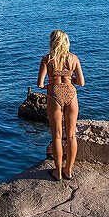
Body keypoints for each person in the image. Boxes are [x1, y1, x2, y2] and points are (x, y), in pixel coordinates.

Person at [36, 29, 84, 180]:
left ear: (52, 42)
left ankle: (57, 172)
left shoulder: (47, 59)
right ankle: (68, 170)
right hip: (71, 94)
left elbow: (39, 84)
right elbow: (81, 83)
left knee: (57, 136)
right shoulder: (73, 58)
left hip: (54, 94)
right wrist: (69, 78)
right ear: (66, 42)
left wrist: (51, 83)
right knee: (71, 136)